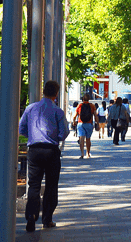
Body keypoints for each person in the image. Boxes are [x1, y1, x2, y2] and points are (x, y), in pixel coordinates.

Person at [19, 80, 69, 232]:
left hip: (34, 150)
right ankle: (47, 219)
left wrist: (32, 136)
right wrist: (56, 138)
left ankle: (31, 216)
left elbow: (22, 128)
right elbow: (64, 132)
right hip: (51, 150)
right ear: (56, 93)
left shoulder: (30, 108)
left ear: (43, 91)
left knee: (33, 184)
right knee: (51, 185)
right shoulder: (58, 111)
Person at [75, 94, 95, 159]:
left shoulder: (80, 105)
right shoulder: (92, 106)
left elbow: (75, 115)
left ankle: (82, 154)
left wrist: (73, 121)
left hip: (80, 123)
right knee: (88, 139)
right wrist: (97, 123)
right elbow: (95, 115)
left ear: (83, 99)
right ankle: (88, 153)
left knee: (81, 139)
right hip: (89, 124)